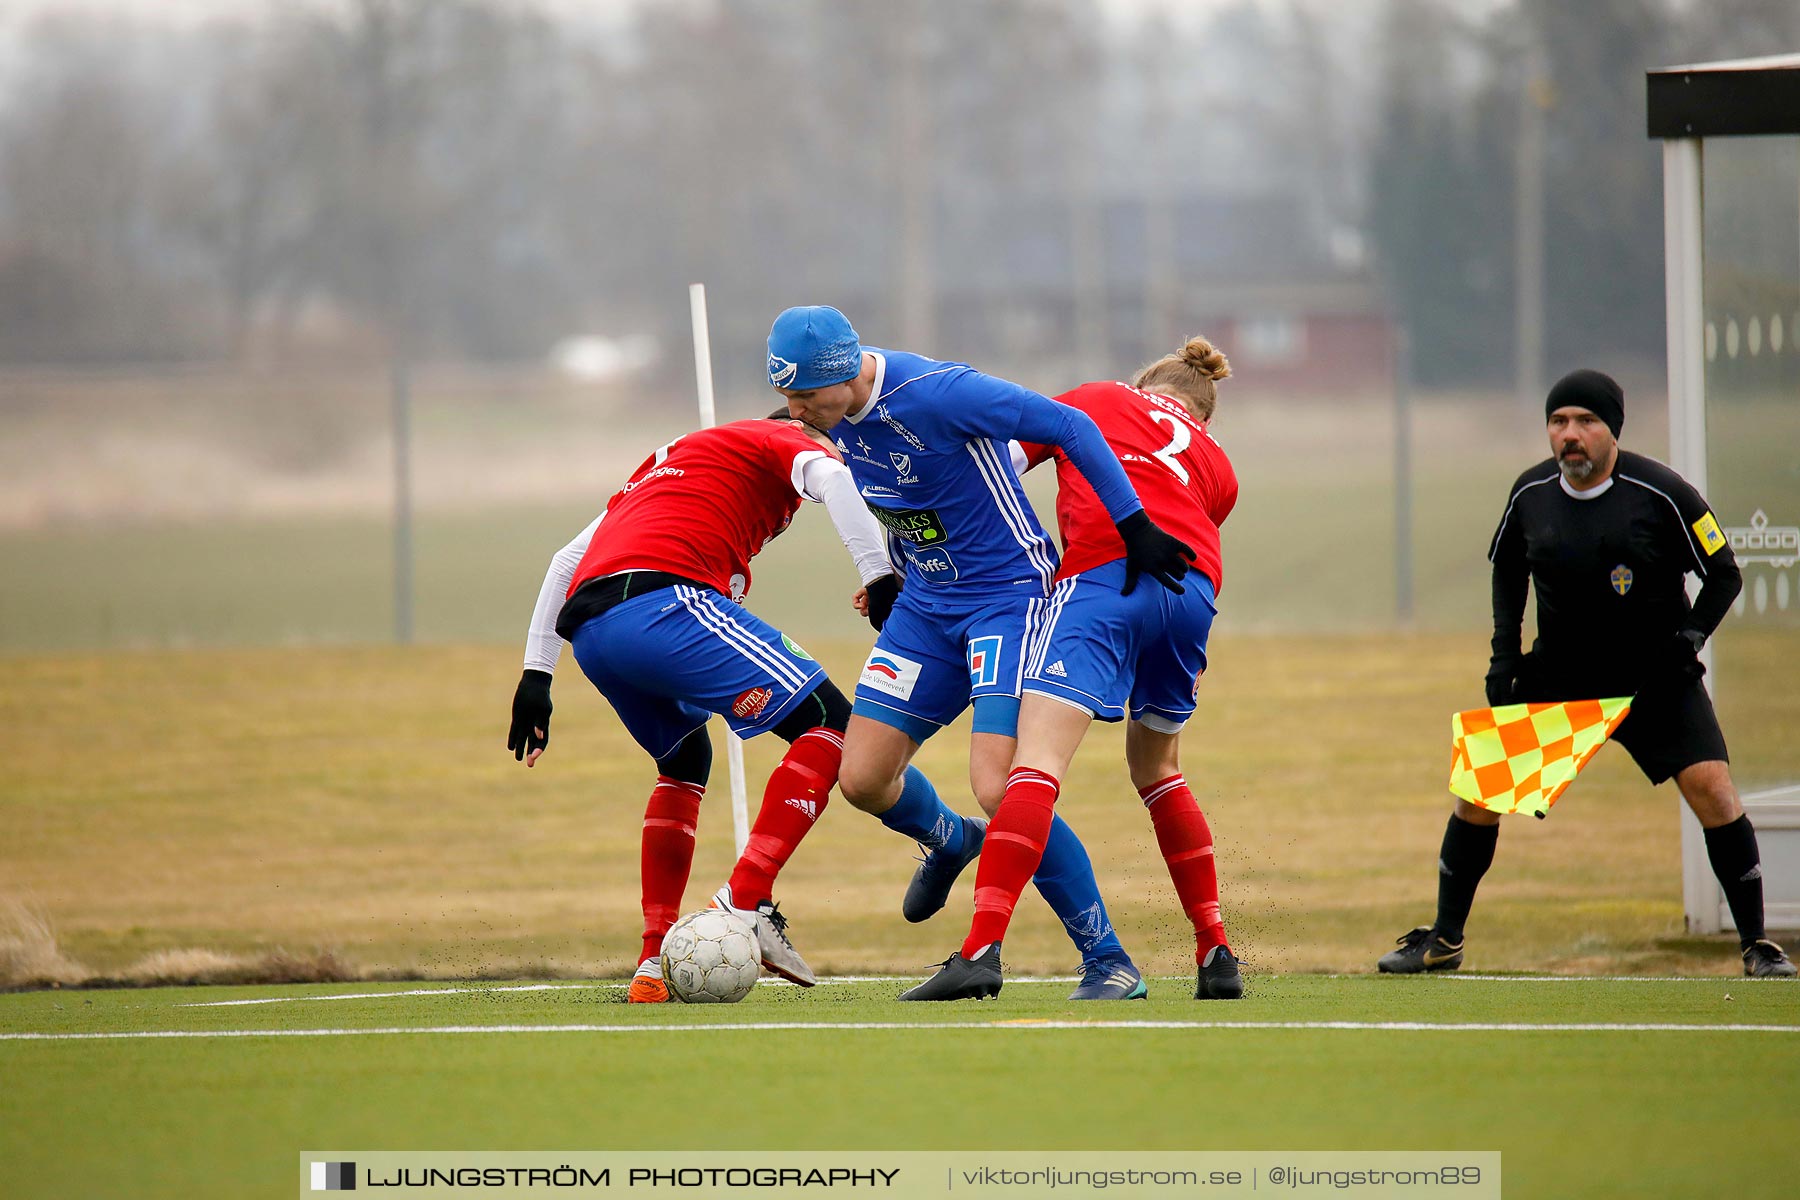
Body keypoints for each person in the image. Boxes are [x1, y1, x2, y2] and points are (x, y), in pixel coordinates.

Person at [770, 304, 1196, 1000]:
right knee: (863, 779)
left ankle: (1108, 960)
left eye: (804, 398)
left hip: (1009, 600)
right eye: (788, 398)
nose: (795, 412)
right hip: (924, 609)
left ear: (843, 375)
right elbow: (907, 497)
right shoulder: (824, 407)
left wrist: (1134, 526)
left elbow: (1070, 426)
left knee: (1001, 786)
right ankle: (949, 839)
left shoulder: (941, 393)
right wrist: (889, 570)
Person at [1378, 369, 1795, 979]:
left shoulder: (1663, 493)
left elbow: (1724, 573)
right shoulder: (1531, 494)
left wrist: (1690, 637)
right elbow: (1506, 573)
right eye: (1558, 422)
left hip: (1656, 680)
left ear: (1613, 431)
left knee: (1714, 791)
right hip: (1561, 678)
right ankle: (1444, 939)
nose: (1570, 435)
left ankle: (1759, 946)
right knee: (1477, 795)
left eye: (1585, 422)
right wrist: (1503, 656)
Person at [506, 414, 898, 1002]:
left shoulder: (671, 465)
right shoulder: (784, 435)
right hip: (665, 603)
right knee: (831, 722)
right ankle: (746, 898)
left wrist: (536, 675)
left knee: (686, 757)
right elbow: (835, 480)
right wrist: (880, 575)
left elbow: (567, 560)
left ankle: (650, 962)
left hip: (591, 635)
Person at [900, 336, 1246, 1002]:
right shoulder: (1217, 458)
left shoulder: (1095, 398)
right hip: (1190, 593)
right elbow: (1196, 515)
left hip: (1104, 581)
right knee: (1159, 771)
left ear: (1143, 383)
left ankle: (980, 951)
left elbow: (1000, 464)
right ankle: (1216, 952)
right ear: (1199, 411)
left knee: (1032, 770)